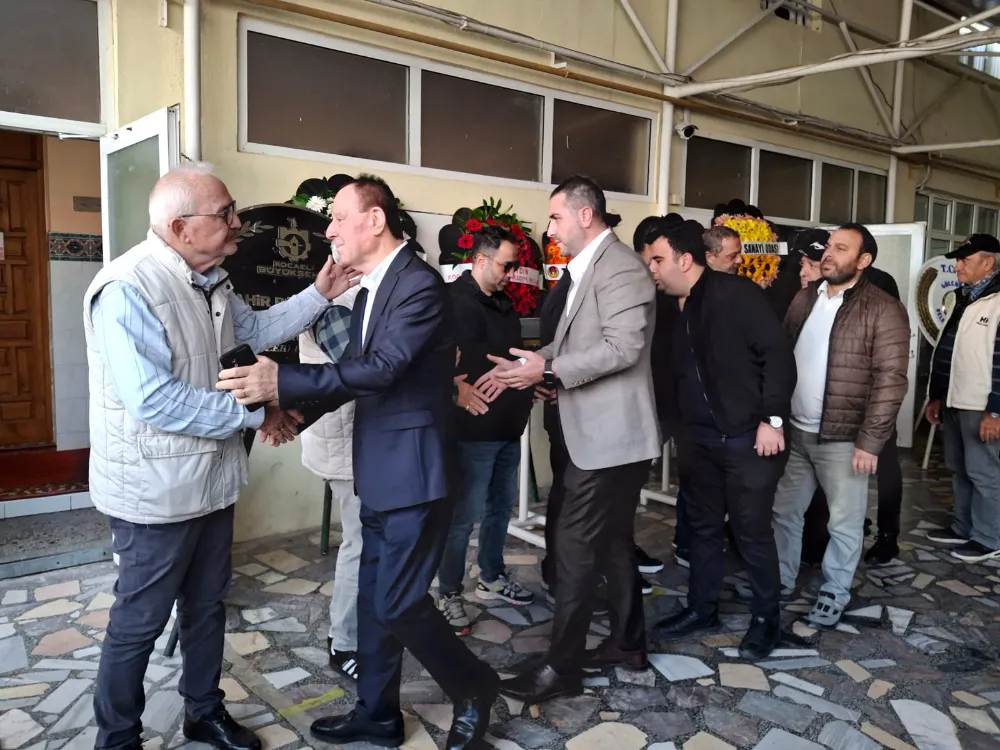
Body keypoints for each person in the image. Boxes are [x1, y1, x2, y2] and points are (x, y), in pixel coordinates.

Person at [217, 175, 497, 750]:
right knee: (373, 599)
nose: (329, 231)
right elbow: (357, 376)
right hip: (376, 467)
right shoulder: (372, 290)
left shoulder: (418, 285)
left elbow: (384, 367)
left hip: (415, 473)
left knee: (398, 602)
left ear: (375, 220)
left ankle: (475, 686)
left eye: (339, 219)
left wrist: (280, 378)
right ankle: (378, 714)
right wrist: (295, 414)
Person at [84, 163, 352, 750]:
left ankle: (203, 712)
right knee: (140, 621)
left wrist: (320, 294)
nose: (237, 222)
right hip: (153, 490)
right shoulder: (128, 287)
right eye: (225, 213)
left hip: (209, 478)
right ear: (180, 226)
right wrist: (257, 414)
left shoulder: (214, 282)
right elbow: (154, 399)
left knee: (206, 606)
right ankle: (118, 737)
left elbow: (256, 329)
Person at [480, 176, 661, 703]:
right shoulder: (588, 268)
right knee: (611, 544)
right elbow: (570, 346)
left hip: (610, 440)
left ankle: (561, 669)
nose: (550, 229)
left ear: (585, 215)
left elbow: (623, 348)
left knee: (574, 547)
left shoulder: (621, 267)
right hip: (598, 436)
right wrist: (531, 368)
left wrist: (548, 369)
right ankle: (628, 644)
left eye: (556, 217)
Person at [644, 219, 795, 659]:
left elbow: (777, 357)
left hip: (748, 438)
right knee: (703, 530)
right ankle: (702, 608)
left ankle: (766, 621)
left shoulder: (736, 294)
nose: (652, 268)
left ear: (685, 260)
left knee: (751, 533)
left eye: (658, 259)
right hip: (696, 441)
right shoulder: (665, 307)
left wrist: (773, 420)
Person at [772, 224, 909, 628]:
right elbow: (782, 357)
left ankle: (834, 591)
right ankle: (780, 580)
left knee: (844, 522)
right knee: (785, 512)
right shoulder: (804, 298)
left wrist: (870, 442)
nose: (829, 253)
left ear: (864, 260)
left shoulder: (883, 308)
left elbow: (890, 381)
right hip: (796, 431)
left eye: (841, 248)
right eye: (829, 246)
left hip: (844, 438)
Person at [436, 225, 536, 635]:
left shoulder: (504, 304)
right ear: (479, 259)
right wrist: (455, 387)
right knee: (463, 518)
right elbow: (441, 361)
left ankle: (491, 576)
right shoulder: (452, 301)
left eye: (514, 266)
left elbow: (511, 358)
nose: (511, 274)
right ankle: (449, 593)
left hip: (509, 424)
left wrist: (529, 376)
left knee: (500, 508)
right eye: (505, 266)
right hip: (473, 429)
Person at [298, 284, 364, 681]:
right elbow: (368, 370)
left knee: (366, 543)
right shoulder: (335, 309)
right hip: (347, 449)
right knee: (360, 545)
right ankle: (345, 642)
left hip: (357, 444)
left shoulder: (356, 299)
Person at [925, 234, 1000, 563]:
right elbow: (948, 350)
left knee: (984, 472)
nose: (957, 267)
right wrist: (935, 396)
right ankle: (963, 527)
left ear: (988, 263)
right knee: (958, 467)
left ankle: (989, 538)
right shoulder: (961, 297)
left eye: (964, 261)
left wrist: (995, 411)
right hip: (953, 399)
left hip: (981, 405)